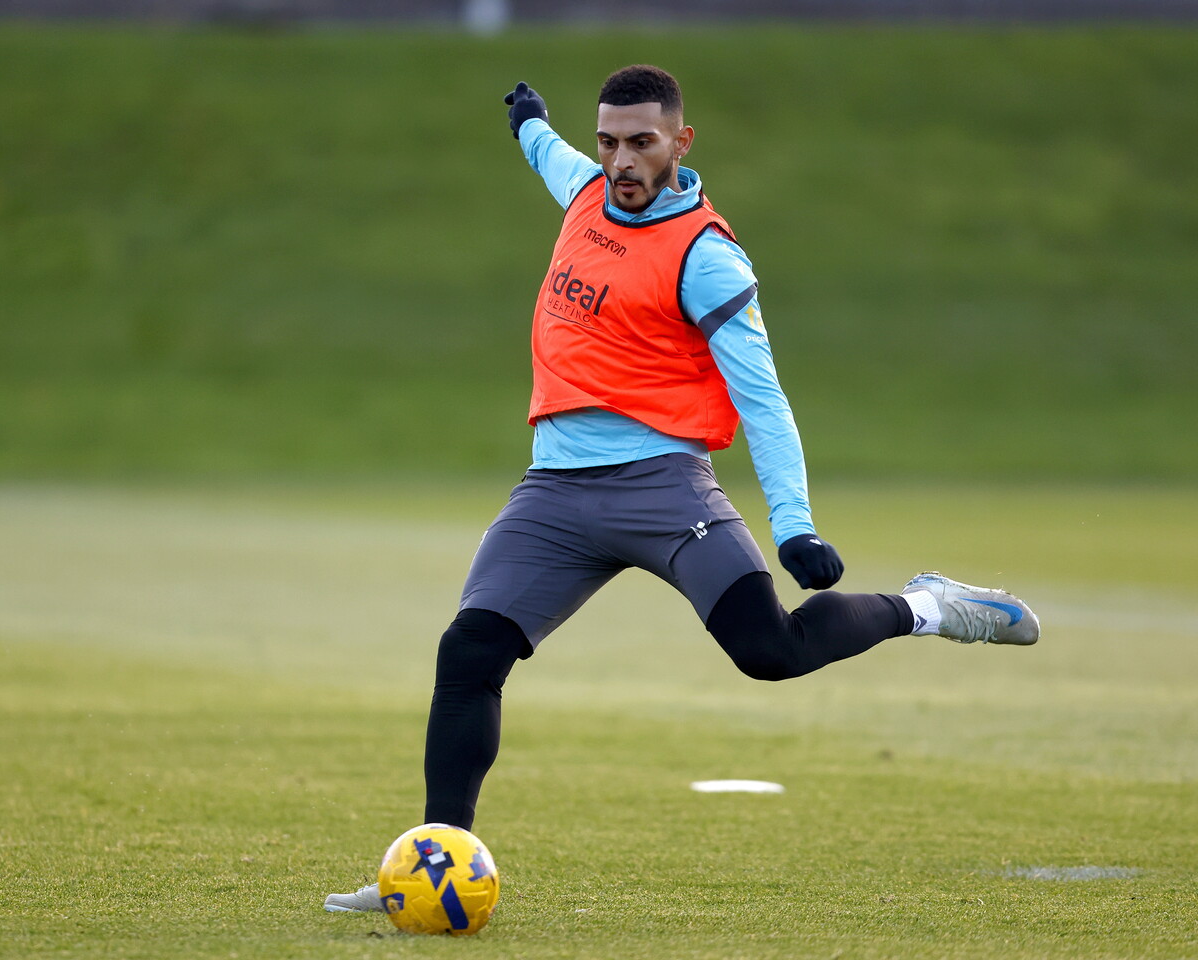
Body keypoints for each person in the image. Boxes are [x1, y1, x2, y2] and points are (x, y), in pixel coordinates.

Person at [325, 65, 1039, 914]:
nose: (621, 160)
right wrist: (529, 124)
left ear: (681, 142)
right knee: (468, 656)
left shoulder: (707, 257)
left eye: (641, 142)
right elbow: (553, 158)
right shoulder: (587, 192)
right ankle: (434, 866)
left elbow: (763, 400)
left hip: (663, 489)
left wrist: (796, 527)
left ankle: (927, 607)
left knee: (768, 651)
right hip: (553, 494)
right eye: (608, 142)